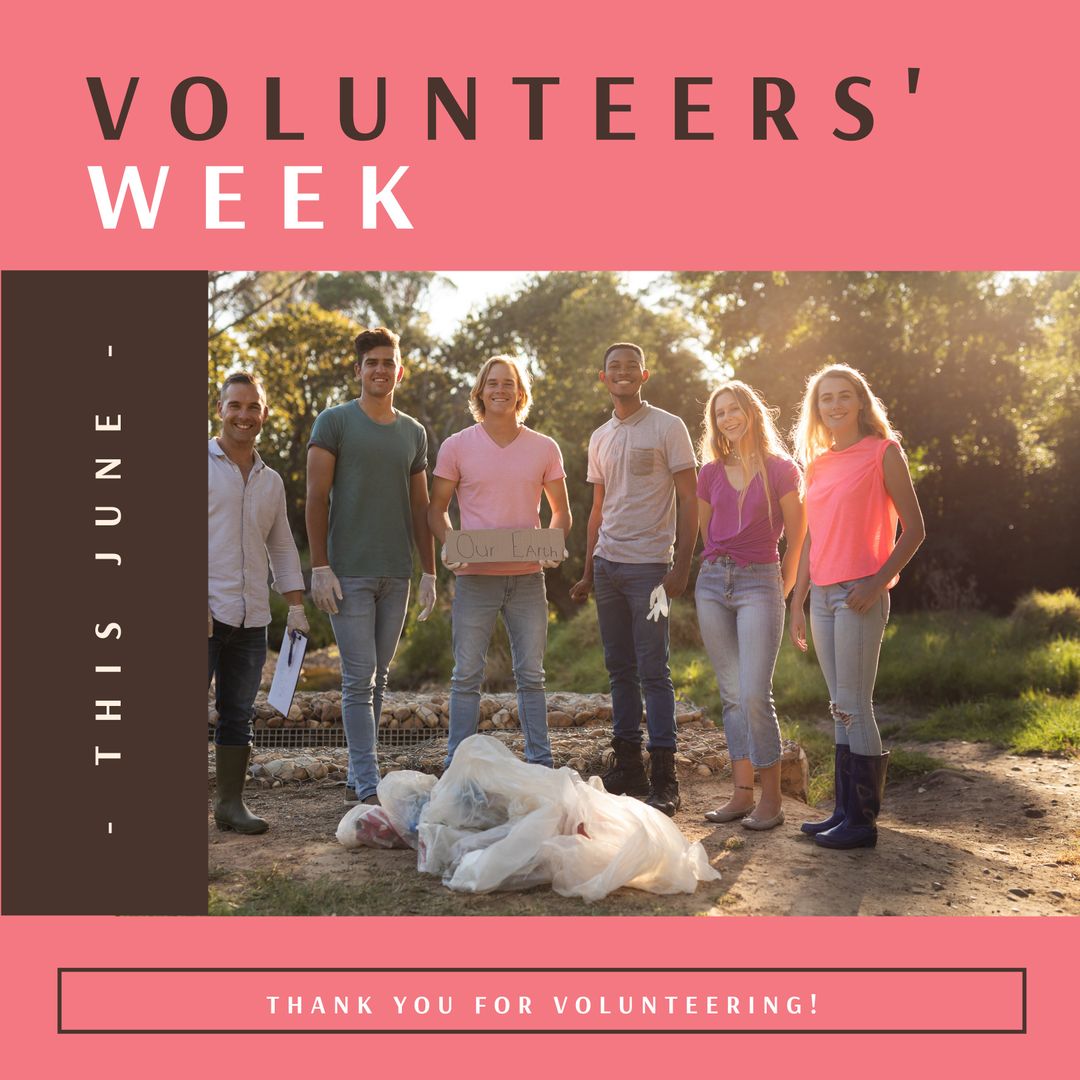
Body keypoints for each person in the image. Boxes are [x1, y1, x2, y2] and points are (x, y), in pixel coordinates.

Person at [789, 363, 925, 849]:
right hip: (823, 596)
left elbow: (915, 530)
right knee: (838, 707)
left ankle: (863, 824)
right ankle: (844, 811)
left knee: (854, 705)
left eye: (844, 395)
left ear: (860, 402)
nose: (835, 405)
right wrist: (798, 598)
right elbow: (812, 537)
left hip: (859, 594)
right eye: (826, 398)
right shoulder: (817, 463)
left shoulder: (884, 452)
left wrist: (876, 583)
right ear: (817, 408)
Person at [306, 327, 436, 808]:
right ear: (358, 370)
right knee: (358, 679)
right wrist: (320, 567)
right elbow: (316, 497)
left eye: (388, 362)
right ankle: (367, 783)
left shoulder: (414, 433)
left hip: (396, 574)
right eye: (372, 363)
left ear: (400, 371)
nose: (380, 370)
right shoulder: (334, 422)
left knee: (378, 678)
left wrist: (429, 571)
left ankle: (358, 774)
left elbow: (421, 507)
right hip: (348, 573)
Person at [570, 342, 698, 816]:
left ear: (644, 375)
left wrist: (681, 567)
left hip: (650, 570)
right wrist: (588, 572)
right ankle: (628, 767)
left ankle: (665, 778)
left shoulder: (668, 426)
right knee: (619, 669)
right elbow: (597, 510)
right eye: (613, 367)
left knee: (654, 671)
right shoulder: (600, 436)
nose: (622, 372)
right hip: (608, 567)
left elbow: (690, 499)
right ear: (602, 377)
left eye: (631, 366)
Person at [428, 355, 571, 768]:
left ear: (520, 392)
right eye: (492, 383)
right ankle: (457, 765)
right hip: (475, 579)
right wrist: (451, 546)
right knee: (466, 675)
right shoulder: (456, 446)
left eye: (508, 383)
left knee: (531, 676)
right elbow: (436, 509)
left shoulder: (544, 448)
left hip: (527, 579)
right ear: (480, 391)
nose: (500, 389)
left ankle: (540, 764)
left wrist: (553, 544)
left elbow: (561, 512)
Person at [695, 381, 806, 831]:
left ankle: (772, 800)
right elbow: (706, 536)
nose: (727, 418)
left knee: (755, 694)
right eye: (719, 413)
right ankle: (742, 794)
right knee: (731, 695)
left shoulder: (781, 469)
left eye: (734, 409)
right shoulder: (709, 473)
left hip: (761, 581)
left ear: (752, 412)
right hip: (711, 583)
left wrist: (784, 586)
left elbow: (798, 537)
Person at [209, 371, 308, 834]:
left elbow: (282, 546)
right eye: (235, 405)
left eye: (253, 407)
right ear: (220, 409)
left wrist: (297, 606)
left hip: (252, 619)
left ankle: (230, 805)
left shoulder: (271, 481)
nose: (243, 415)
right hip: (208, 612)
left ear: (264, 413)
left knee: (238, 715)